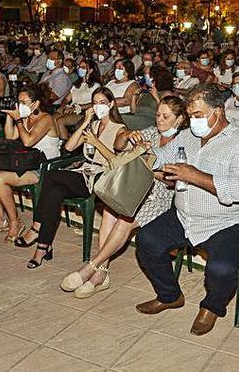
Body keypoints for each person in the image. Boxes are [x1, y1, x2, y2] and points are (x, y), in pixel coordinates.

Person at [134, 83, 239, 336]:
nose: (193, 122)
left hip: (227, 221)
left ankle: (211, 307)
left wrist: (195, 175)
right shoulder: (187, 137)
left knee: (221, 269)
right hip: (185, 215)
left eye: (198, 116)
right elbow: (160, 158)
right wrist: (142, 148)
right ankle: (169, 295)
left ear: (218, 112)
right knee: (146, 241)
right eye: (191, 116)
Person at [60, 95, 187, 298]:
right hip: (135, 186)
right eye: (157, 115)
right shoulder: (152, 132)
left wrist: (148, 169)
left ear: (179, 119)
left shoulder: (184, 142)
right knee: (111, 209)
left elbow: (174, 180)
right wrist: (128, 134)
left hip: (162, 195)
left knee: (125, 219)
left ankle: (92, 267)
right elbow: (119, 146)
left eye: (165, 116)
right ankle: (101, 275)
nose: (159, 120)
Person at [15, 87, 128, 268]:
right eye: (95, 103)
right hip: (84, 171)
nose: (99, 107)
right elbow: (68, 147)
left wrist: (95, 142)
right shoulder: (93, 125)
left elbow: (117, 161)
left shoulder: (119, 129)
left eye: (103, 103)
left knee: (51, 176)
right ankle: (43, 246)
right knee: (54, 193)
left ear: (111, 104)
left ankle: (37, 227)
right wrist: (85, 123)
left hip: (102, 176)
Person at [0, 84, 61, 241]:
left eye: (24, 102)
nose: (21, 105)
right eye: (19, 102)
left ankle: (15, 222)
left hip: (45, 167)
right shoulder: (26, 118)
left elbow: (28, 141)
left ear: (35, 103)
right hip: (28, 162)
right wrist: (11, 116)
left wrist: (18, 120)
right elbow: (10, 138)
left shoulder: (46, 119)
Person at [55, 59, 101, 131]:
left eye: (83, 67)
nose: (80, 69)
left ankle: (67, 141)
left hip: (83, 111)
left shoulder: (95, 86)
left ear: (90, 70)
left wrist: (77, 108)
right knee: (53, 118)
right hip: (71, 108)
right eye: (79, 67)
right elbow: (67, 99)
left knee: (60, 121)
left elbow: (94, 103)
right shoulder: (76, 84)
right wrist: (62, 106)